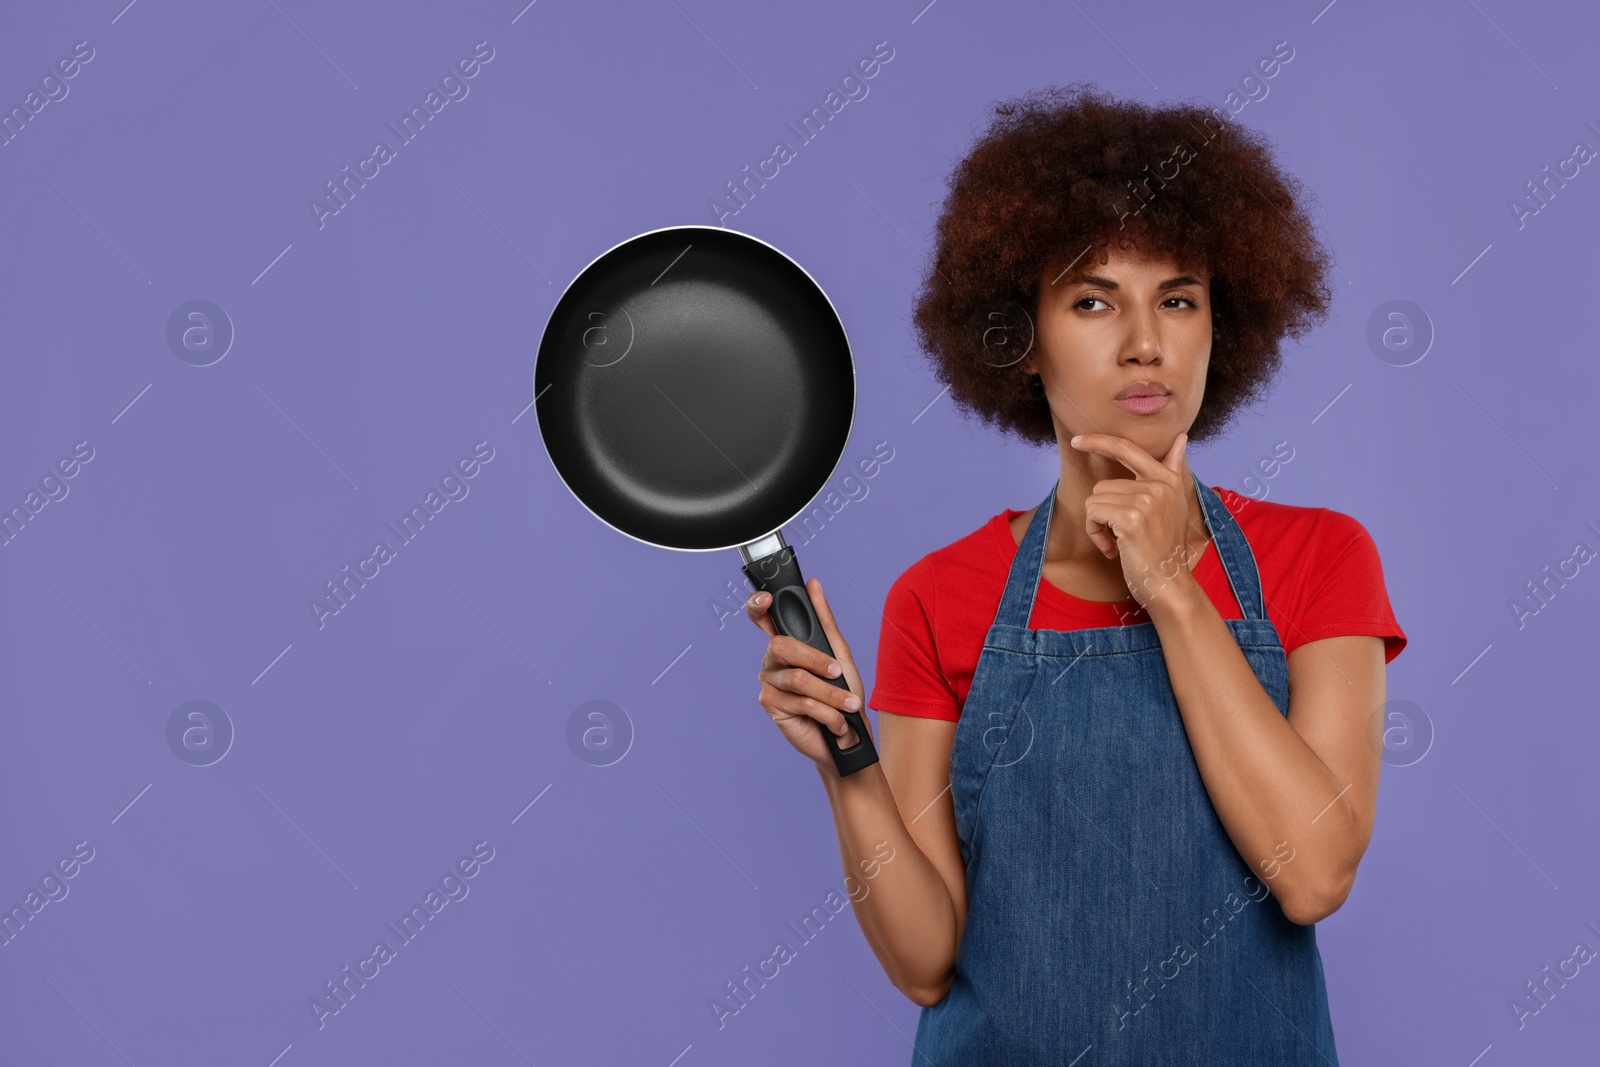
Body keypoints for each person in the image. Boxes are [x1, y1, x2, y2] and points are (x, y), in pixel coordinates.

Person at [746, 82, 1406, 1065]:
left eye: (1177, 298)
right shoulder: (938, 595)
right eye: (1092, 299)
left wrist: (1173, 588)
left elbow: (1311, 873)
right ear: (1020, 341)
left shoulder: (1319, 555)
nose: (1144, 340)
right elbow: (928, 961)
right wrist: (845, 756)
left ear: (1220, 326)